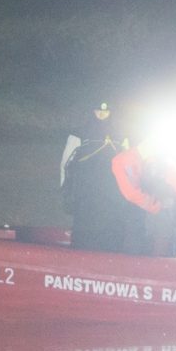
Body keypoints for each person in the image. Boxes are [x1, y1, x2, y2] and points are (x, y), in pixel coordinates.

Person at [110, 139, 176, 256]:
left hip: (152, 208)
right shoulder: (125, 159)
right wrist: (159, 204)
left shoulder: (160, 158)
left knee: (162, 238)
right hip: (128, 212)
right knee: (133, 247)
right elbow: (131, 192)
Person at [62, 102, 129, 252]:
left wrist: (130, 195)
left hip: (113, 198)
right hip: (86, 196)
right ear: (93, 110)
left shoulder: (121, 136)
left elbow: (130, 168)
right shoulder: (79, 133)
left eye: (106, 111)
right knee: (83, 236)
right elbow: (65, 164)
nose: (102, 114)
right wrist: (65, 192)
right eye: (98, 110)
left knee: (112, 236)